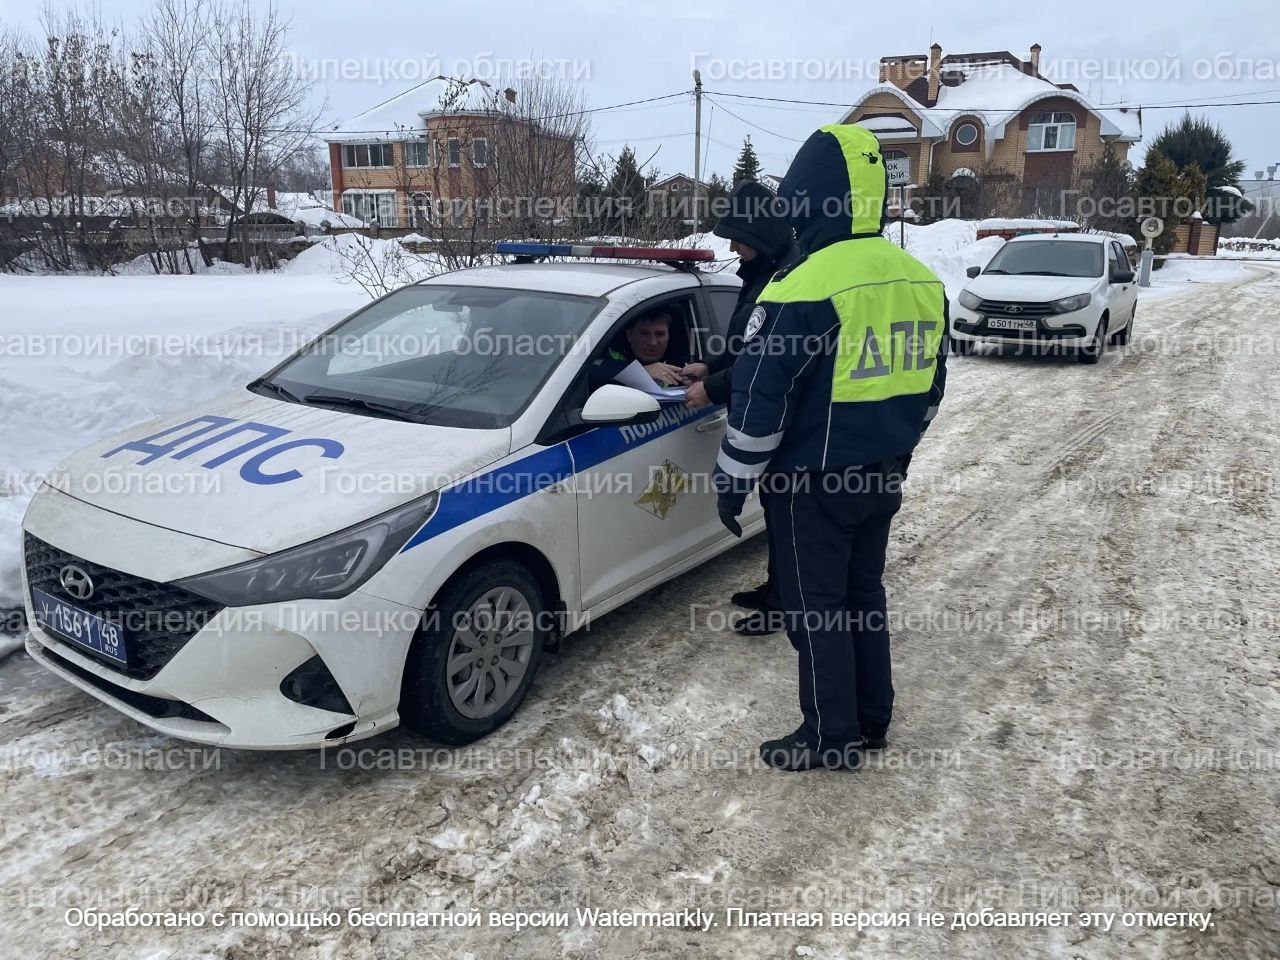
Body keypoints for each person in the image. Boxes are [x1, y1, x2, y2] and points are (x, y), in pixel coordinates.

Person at [713, 123, 949, 772]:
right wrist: (897, 451)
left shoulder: (801, 287)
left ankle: (829, 735)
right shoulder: (921, 281)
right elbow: (931, 389)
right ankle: (871, 720)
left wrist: (731, 483)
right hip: (881, 477)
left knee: (816, 610)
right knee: (863, 597)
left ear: (811, 199)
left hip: (810, 487)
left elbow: (760, 405)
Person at [681, 180, 798, 638]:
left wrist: (712, 388)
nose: (731, 246)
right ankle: (776, 591)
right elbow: (743, 346)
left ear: (761, 235)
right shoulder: (761, 273)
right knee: (776, 511)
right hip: (765, 415)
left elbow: (766, 364)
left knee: (789, 519)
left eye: (737, 237)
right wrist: (708, 365)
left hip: (785, 421)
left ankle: (786, 605)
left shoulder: (787, 279)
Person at [588, 307, 689, 390]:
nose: (653, 342)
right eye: (644, 333)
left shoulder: (684, 363)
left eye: (660, 334)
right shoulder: (605, 353)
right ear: (629, 335)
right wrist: (638, 373)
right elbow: (587, 374)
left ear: (668, 336)